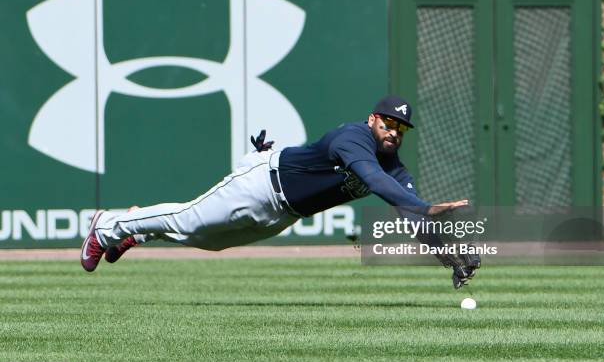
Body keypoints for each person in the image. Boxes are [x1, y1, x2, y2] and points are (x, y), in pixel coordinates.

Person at [81, 95, 480, 288]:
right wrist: (425, 207)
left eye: (401, 128)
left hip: (283, 212)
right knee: (188, 218)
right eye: (388, 123)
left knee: (205, 239)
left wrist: (449, 253)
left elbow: (409, 212)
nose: (394, 131)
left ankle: (136, 227)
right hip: (260, 184)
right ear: (373, 119)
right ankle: (107, 227)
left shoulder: (393, 162)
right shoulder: (354, 138)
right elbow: (377, 184)